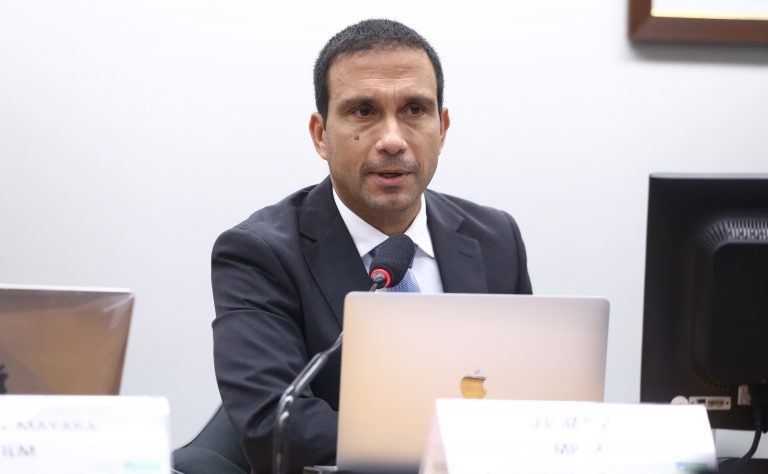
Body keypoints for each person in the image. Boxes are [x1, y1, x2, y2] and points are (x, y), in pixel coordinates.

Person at [212, 19, 532, 473]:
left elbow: (528, 399)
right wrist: (454, 446)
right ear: (321, 135)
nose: (393, 140)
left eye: (415, 110)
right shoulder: (259, 253)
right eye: (363, 111)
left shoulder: (495, 238)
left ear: (442, 128)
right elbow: (275, 425)